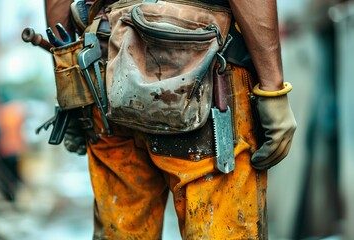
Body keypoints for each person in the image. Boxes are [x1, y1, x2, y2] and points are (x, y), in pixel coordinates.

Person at [44, 0, 297, 239]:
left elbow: (57, 9)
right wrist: (273, 89)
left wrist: (68, 79)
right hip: (204, 83)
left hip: (109, 75)